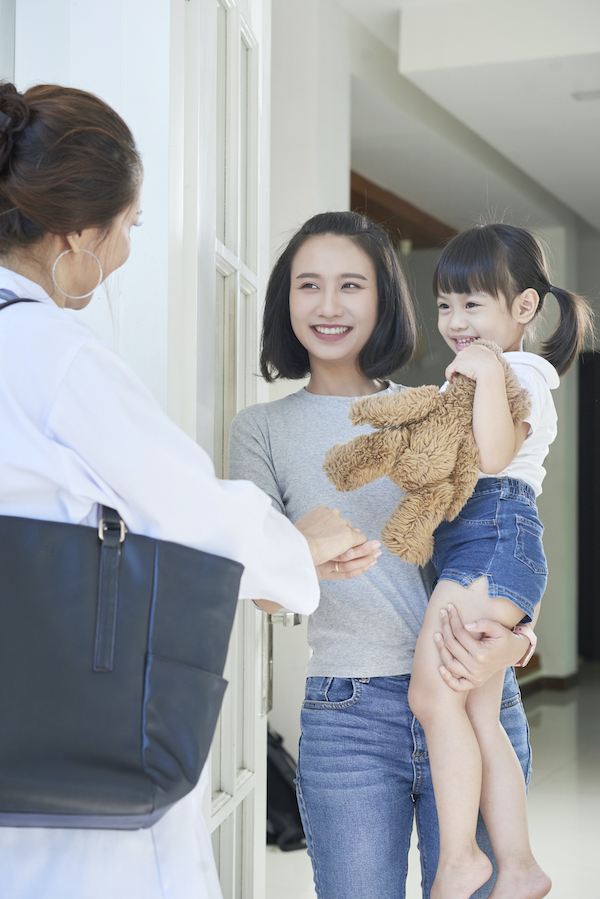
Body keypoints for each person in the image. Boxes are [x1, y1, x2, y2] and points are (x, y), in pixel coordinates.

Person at [0, 82, 369, 899]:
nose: (127, 249)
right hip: (69, 776)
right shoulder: (52, 354)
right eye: (127, 226)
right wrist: (295, 550)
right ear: (74, 234)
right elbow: (195, 514)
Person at [228, 211, 536, 899]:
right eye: (309, 285)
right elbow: (263, 590)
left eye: (351, 285)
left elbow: (506, 537)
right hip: (349, 717)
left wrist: (518, 644)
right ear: (286, 300)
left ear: (384, 298)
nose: (328, 305)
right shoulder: (261, 430)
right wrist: (299, 555)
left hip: (474, 688)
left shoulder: (445, 404)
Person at [407, 223, 593, 899]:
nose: (456, 321)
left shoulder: (518, 371)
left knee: (432, 694)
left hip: (493, 533)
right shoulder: (501, 369)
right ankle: (517, 865)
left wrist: (484, 370)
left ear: (523, 309)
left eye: (473, 304)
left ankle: (461, 857)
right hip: (486, 539)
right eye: (446, 304)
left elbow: (490, 458)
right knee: (478, 713)